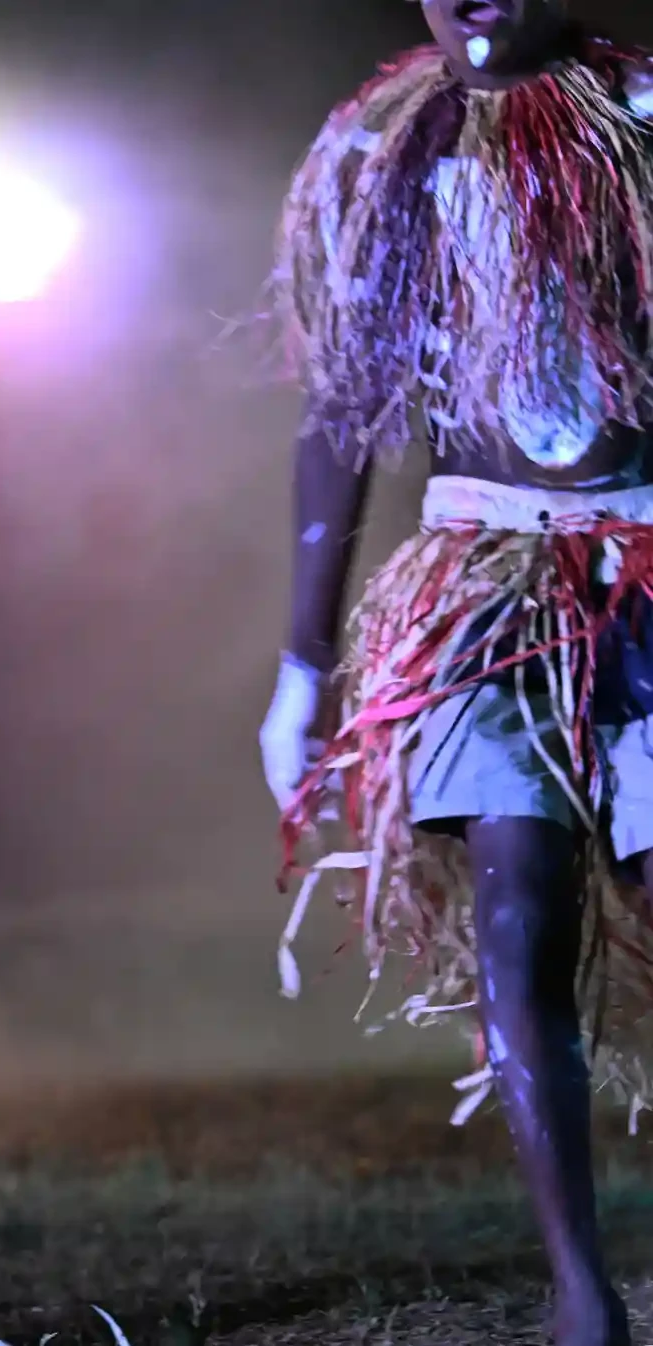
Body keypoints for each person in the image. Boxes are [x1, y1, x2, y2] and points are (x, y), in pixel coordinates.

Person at [264, 7, 653, 1344]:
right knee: (514, 897)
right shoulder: (388, 153)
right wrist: (301, 671)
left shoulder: (640, 116)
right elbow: (344, 411)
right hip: (481, 582)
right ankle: (582, 1292)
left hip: (646, 568)